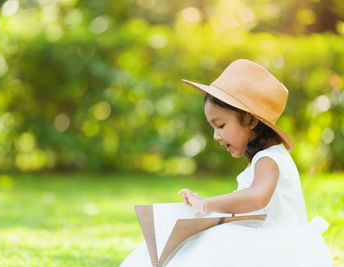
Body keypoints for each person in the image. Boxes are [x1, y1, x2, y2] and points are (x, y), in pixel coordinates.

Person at [120, 59, 332, 267]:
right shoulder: (262, 158)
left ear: (250, 120)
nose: (216, 136)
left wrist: (207, 204)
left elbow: (256, 198)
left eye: (220, 125)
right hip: (264, 238)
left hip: (277, 246)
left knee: (216, 240)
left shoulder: (268, 159)